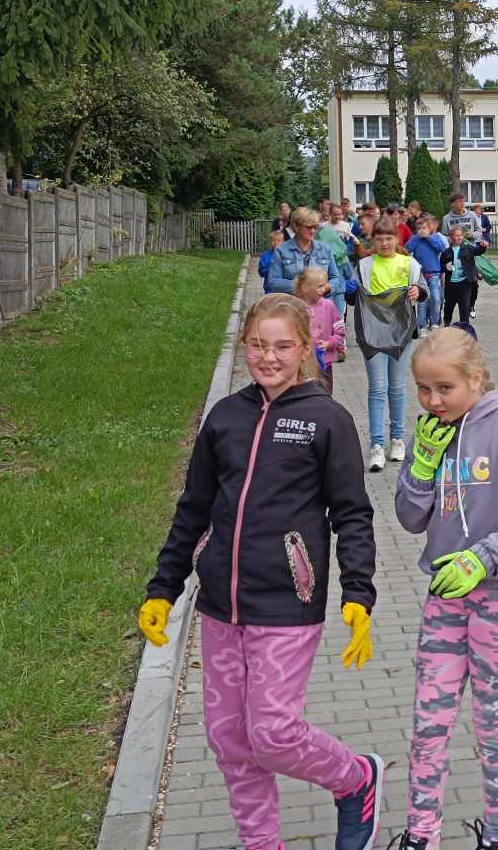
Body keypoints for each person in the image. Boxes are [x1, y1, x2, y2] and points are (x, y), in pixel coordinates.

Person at [137, 293, 386, 850]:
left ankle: (355, 779)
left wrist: (358, 593)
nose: (268, 357)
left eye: (282, 346)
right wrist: (163, 589)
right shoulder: (226, 416)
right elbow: (193, 508)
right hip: (220, 607)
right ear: (244, 344)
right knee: (230, 739)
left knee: (271, 733)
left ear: (305, 348)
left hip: (287, 603)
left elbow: (352, 513)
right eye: (257, 345)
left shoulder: (327, 420)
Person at [394, 328, 498, 850]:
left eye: (445, 388)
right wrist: (420, 468)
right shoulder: (430, 433)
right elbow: (410, 518)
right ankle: (421, 832)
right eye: (423, 389)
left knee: (492, 723)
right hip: (446, 599)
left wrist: (483, 556)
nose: (433, 401)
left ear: (476, 378)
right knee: (429, 722)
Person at [355, 216, 427, 470]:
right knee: (377, 388)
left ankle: (397, 439)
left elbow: (424, 289)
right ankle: (376, 445)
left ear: (397, 239)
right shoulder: (364, 265)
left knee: (397, 387)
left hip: (401, 333)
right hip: (373, 334)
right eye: (379, 239)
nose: (384, 243)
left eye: (389, 238)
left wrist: (419, 291)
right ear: (372, 240)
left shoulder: (409, 264)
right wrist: (350, 290)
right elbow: (353, 296)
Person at [266, 208, 347, 317]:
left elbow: (336, 278)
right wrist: (302, 287)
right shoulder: (282, 250)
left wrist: (327, 287)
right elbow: (273, 281)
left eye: (315, 227)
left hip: (320, 310)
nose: (313, 231)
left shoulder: (325, 249)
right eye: (309, 227)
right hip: (292, 310)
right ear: (296, 226)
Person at [295, 266, 347, 394]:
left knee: (324, 396)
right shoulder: (295, 307)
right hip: (301, 364)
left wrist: (329, 343)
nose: (324, 289)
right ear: (305, 287)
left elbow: (340, 333)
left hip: (324, 364)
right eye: (320, 286)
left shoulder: (329, 306)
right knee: (303, 397)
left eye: (325, 285)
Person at [405, 214, 449, 332]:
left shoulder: (435, 237)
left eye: (424, 228)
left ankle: (434, 321)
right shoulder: (415, 238)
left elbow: (442, 248)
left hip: (434, 273)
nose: (421, 231)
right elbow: (407, 249)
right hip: (420, 274)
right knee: (422, 300)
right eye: (419, 228)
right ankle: (422, 324)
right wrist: (416, 238)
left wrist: (429, 237)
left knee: (436, 298)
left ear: (429, 228)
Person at [443, 223, 486, 330]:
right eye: (456, 236)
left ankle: (465, 326)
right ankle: (447, 323)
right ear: (451, 237)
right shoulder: (446, 252)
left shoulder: (468, 248)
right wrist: (445, 267)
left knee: (465, 305)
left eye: (461, 235)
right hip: (451, 284)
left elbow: (478, 251)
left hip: (465, 282)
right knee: (449, 305)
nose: (459, 238)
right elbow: (441, 265)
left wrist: (482, 246)